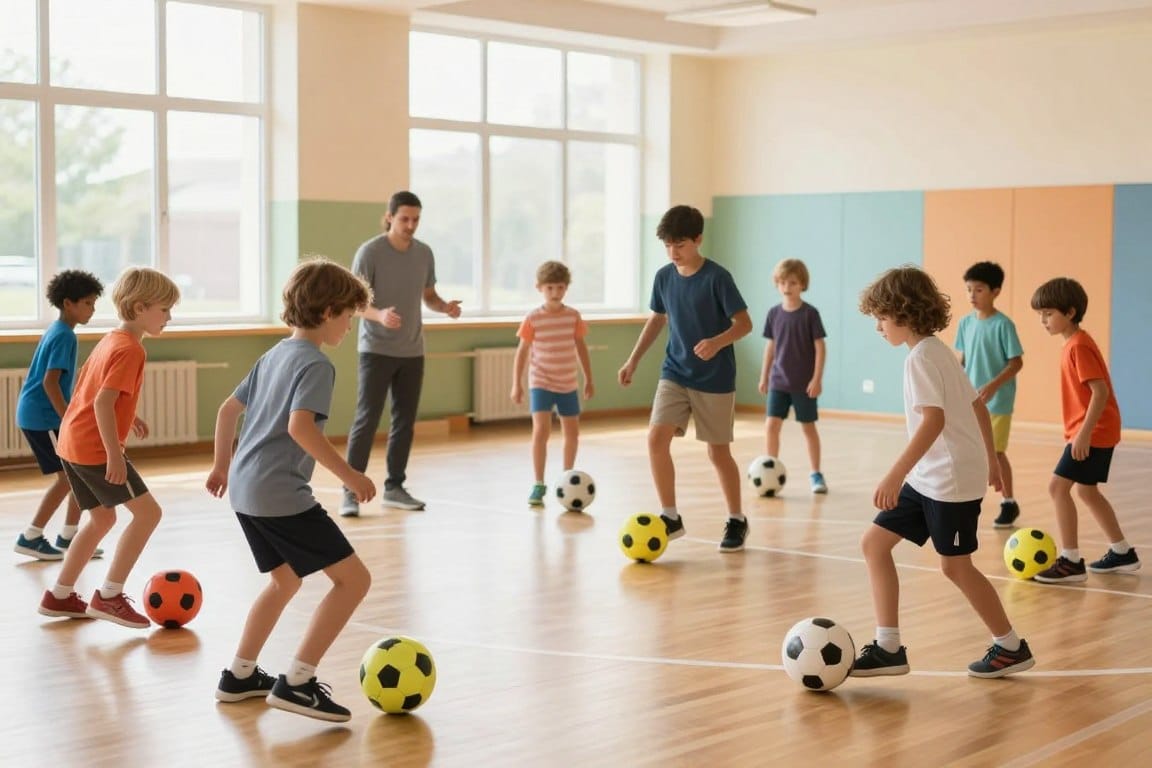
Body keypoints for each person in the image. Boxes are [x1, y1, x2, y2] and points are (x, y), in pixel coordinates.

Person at [206, 258, 375, 722]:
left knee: (284, 580)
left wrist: (222, 467)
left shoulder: (274, 354)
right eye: (347, 316)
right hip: (279, 493)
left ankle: (239, 675)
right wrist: (351, 476)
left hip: (244, 489)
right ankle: (297, 683)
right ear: (327, 312)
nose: (348, 325)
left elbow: (226, 411)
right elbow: (301, 428)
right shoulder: (316, 365)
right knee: (354, 580)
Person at [852, 266, 1034, 678]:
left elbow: (933, 422)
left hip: (948, 483)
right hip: (932, 477)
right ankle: (888, 647)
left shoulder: (922, 359)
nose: (878, 326)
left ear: (904, 313)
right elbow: (977, 406)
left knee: (955, 566)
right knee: (874, 544)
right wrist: (990, 459)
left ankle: (1010, 646)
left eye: (882, 317)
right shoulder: (936, 351)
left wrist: (894, 475)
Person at [37, 267, 180, 629]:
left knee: (102, 518)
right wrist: (115, 453)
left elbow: (91, 389)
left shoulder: (112, 339)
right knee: (148, 514)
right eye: (164, 309)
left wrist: (129, 416)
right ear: (139, 307)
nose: (169, 317)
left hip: (71, 442)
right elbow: (102, 403)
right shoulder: (131, 349)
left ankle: (59, 594)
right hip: (94, 449)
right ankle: (110, 596)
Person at [618, 205, 753, 552]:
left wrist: (717, 341)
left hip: (715, 377)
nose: (673, 252)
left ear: (697, 239)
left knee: (718, 453)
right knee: (655, 438)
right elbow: (657, 319)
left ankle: (737, 519)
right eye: (667, 245)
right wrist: (633, 360)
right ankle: (670, 516)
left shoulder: (717, 278)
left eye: (679, 244)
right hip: (674, 371)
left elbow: (744, 324)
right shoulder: (664, 277)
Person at [341, 190, 462, 517]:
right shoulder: (370, 252)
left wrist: (445, 307)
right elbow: (354, 303)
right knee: (367, 420)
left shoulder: (424, 253)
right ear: (390, 217)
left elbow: (429, 295)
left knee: (404, 421)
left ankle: (394, 487)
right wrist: (379, 315)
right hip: (376, 349)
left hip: (412, 350)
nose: (410, 225)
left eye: (416, 220)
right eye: (404, 219)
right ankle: (350, 490)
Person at [1029, 277, 1139, 583]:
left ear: (1071, 311)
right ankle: (1122, 552)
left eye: (1048, 313)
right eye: (1041, 314)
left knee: (1057, 487)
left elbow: (1100, 392)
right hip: (1093, 430)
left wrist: (1084, 434)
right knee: (1086, 491)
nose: (1043, 320)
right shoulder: (1073, 344)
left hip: (1095, 430)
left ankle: (1071, 561)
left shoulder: (1078, 346)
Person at [14, 270, 105, 561]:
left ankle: (68, 537)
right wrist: (68, 419)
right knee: (68, 479)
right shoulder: (65, 336)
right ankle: (31, 536)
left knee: (75, 474)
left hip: (40, 414)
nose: (92, 309)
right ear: (69, 303)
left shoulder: (60, 331)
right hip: (43, 417)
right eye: (88, 303)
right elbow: (49, 383)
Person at [510, 260, 594, 506]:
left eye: (560, 287)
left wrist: (589, 378)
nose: (555, 293)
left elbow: (581, 347)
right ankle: (538, 483)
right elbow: (522, 352)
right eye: (550, 288)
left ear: (566, 288)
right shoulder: (533, 318)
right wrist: (517, 383)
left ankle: (566, 478)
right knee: (541, 432)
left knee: (572, 433)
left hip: (568, 382)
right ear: (540, 288)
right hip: (541, 382)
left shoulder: (573, 316)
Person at [954, 261, 1024, 528]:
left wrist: (994, 385)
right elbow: (962, 360)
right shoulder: (965, 323)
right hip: (971, 401)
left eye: (979, 289)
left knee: (994, 452)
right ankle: (964, 500)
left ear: (995, 291)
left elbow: (1016, 362)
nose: (972, 295)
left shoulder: (1003, 325)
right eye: (969, 289)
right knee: (970, 450)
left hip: (998, 401)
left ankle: (1008, 501)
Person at [757, 258, 828, 494]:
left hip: (803, 384)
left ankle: (816, 474)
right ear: (777, 283)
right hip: (779, 381)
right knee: (771, 425)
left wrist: (816, 379)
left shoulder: (810, 314)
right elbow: (771, 347)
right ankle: (770, 468)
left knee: (808, 427)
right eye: (783, 282)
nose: (787, 287)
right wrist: (764, 375)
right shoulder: (774, 313)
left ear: (802, 284)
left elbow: (820, 347)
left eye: (793, 282)